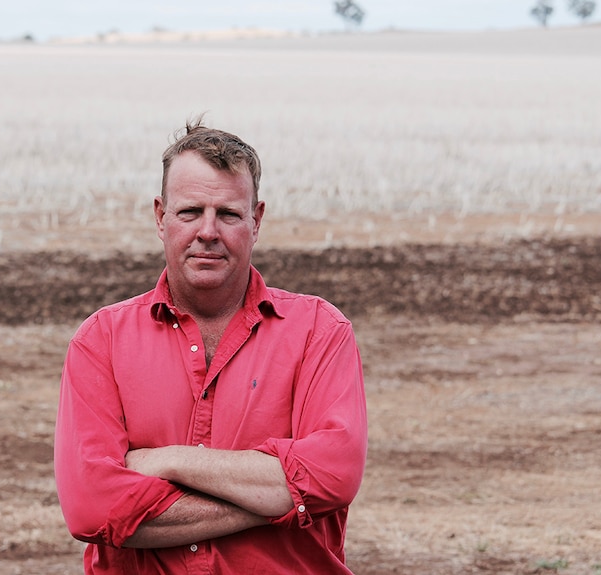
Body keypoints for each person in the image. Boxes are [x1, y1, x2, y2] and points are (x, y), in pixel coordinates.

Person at [54, 119, 368, 574]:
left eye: (228, 214)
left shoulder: (320, 331)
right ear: (160, 217)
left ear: (256, 220)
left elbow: (334, 475)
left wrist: (169, 462)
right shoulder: (100, 341)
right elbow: (91, 508)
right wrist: (280, 495)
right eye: (189, 212)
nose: (208, 231)